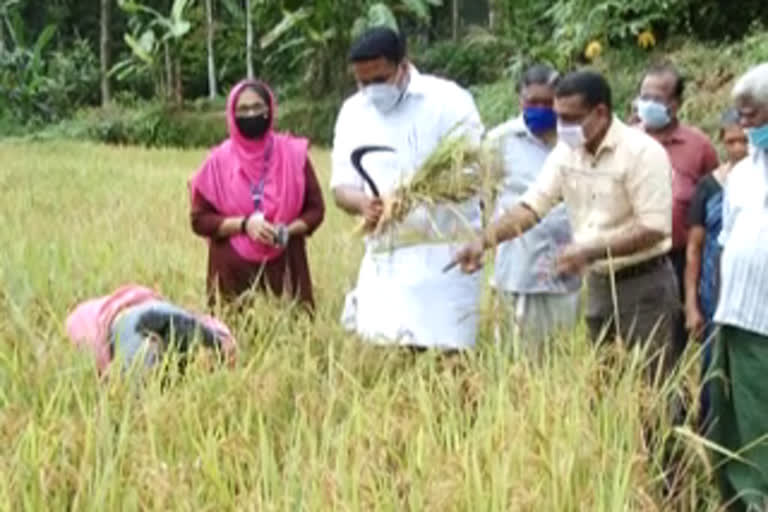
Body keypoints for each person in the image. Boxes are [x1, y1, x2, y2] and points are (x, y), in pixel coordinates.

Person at [453, 70, 678, 376]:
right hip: (599, 285)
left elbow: (654, 228)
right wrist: (483, 240)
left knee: (651, 385)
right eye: (560, 118)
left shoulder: (643, 153)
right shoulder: (566, 152)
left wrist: (589, 251)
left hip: (642, 285)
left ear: (600, 112)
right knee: (606, 384)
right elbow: (532, 206)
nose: (563, 127)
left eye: (572, 119)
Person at [331, 27, 484, 351]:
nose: (372, 90)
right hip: (386, 259)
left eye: (380, 79)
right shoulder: (352, 112)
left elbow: (474, 173)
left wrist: (415, 197)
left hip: (446, 256)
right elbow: (341, 188)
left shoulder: (448, 101)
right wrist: (363, 204)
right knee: (384, 357)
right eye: (363, 82)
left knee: (447, 359)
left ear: (404, 66)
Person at [189, 80, 325, 311]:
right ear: (232, 114)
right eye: (243, 109)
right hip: (231, 279)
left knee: (292, 341)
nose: (251, 114)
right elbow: (199, 220)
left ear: (269, 110)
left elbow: (316, 209)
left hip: (286, 272)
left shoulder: (293, 155)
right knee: (234, 342)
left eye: (257, 107)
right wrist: (244, 225)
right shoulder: (217, 162)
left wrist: (287, 230)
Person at [485, 64, 581, 358]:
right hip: (518, 268)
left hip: (568, 268)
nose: (539, 108)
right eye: (532, 102)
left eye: (547, 102)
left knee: (564, 355)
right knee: (516, 358)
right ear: (520, 101)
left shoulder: (577, 140)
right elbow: (486, 198)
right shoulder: (499, 141)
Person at [708, 62, 768, 511]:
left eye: (753, 114)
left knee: (761, 433)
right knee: (731, 431)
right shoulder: (743, 174)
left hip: (764, 328)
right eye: (740, 114)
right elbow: (726, 241)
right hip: (734, 320)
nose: (744, 124)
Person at [637, 63, 720, 358]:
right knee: (636, 345)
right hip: (633, 260)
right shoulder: (625, 142)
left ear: (676, 103)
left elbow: (715, 203)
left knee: (675, 345)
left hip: (679, 260)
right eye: (644, 96)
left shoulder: (699, 147)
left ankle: (677, 404)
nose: (649, 104)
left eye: (658, 99)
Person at [684, 109, 748, 427]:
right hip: (714, 295)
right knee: (713, 374)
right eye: (731, 141)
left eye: (744, 141)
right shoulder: (709, 187)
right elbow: (694, 249)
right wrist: (692, 305)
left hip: (754, 298)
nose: (738, 149)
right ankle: (712, 450)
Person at [65, 284, 237, 377]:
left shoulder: (181, 322)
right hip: (127, 321)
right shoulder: (83, 328)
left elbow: (220, 339)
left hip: (146, 308)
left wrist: (221, 346)